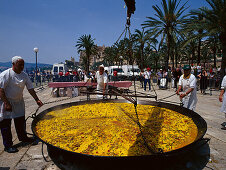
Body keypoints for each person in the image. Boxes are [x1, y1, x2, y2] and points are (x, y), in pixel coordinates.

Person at [0, 56, 43, 153]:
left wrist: (37, 99)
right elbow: (1, 90)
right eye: (20, 65)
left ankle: (23, 137)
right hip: (6, 101)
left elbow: (30, 88)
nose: (22, 67)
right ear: (13, 64)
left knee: (20, 120)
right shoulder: (6, 74)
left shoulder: (24, 75)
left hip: (18, 101)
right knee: (6, 124)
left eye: (23, 65)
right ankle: (8, 145)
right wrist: (6, 103)